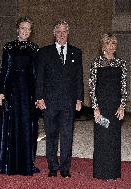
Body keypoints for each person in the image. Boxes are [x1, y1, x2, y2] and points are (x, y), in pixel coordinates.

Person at [0, 17, 40, 176]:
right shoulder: (9, 47)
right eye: (23, 28)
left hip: (29, 93)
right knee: (11, 126)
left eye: (28, 29)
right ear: (17, 29)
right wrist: (1, 91)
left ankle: (26, 164)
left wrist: (38, 95)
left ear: (31, 31)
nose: (25, 31)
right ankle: (7, 163)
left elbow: (36, 73)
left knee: (27, 126)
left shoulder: (34, 48)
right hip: (12, 92)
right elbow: (5, 71)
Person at [35, 20, 84, 178]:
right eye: (59, 32)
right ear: (54, 34)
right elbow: (39, 78)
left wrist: (79, 99)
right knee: (51, 136)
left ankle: (65, 168)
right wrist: (39, 97)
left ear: (68, 34)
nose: (62, 35)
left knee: (67, 136)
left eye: (64, 32)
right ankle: (52, 167)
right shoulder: (44, 52)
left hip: (69, 102)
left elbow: (78, 78)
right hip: (49, 102)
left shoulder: (76, 52)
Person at [89, 33, 128, 180]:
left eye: (113, 44)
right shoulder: (96, 63)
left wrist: (122, 106)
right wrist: (95, 108)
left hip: (115, 107)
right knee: (102, 138)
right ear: (103, 46)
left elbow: (123, 87)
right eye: (108, 43)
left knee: (113, 138)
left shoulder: (121, 63)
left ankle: (113, 172)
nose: (111, 47)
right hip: (101, 107)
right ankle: (101, 173)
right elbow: (92, 88)